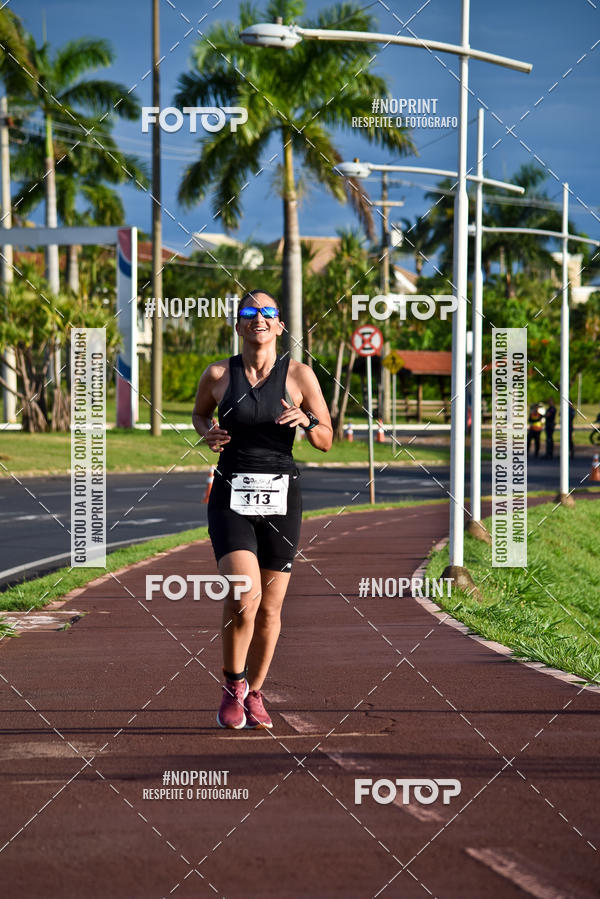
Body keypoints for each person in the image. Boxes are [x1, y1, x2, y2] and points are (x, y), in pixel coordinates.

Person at [192, 289, 333, 729]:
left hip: (282, 496)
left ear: (280, 325)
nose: (259, 319)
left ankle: (255, 692)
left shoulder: (300, 376)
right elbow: (199, 416)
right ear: (238, 325)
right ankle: (232, 685)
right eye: (250, 312)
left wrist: (307, 422)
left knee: (270, 608)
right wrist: (207, 432)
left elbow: (327, 438)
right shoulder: (218, 374)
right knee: (242, 593)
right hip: (231, 493)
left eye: (268, 312)